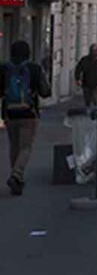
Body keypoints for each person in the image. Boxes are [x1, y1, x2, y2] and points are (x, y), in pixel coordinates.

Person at [2, 40, 52, 195]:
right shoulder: (34, 68)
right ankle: (16, 175)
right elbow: (45, 91)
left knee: (14, 147)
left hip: (9, 113)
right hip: (29, 113)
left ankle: (17, 181)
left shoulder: (4, 68)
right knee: (25, 147)